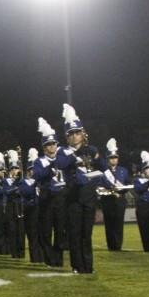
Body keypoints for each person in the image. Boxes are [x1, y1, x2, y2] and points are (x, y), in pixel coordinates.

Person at [55, 104, 105, 274]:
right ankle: (77, 265)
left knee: (87, 235)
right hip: (73, 198)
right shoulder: (63, 151)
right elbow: (60, 164)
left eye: (78, 133)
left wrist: (96, 155)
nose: (75, 136)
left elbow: (103, 167)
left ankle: (88, 266)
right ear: (67, 136)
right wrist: (75, 156)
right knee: (75, 234)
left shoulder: (91, 150)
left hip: (89, 198)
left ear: (83, 134)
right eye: (71, 134)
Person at [33, 118, 67, 267]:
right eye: (48, 144)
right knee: (46, 232)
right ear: (44, 147)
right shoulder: (39, 161)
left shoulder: (63, 159)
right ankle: (49, 258)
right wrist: (52, 166)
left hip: (61, 198)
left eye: (53, 144)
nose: (52, 146)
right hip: (47, 198)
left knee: (61, 231)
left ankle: (58, 258)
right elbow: (38, 175)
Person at [99, 138, 130, 251]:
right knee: (109, 223)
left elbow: (127, 184)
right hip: (107, 199)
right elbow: (100, 183)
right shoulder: (103, 172)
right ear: (108, 159)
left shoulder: (123, 170)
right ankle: (111, 245)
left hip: (120, 200)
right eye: (111, 158)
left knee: (119, 223)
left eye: (115, 157)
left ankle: (118, 245)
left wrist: (120, 191)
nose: (114, 159)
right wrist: (111, 189)